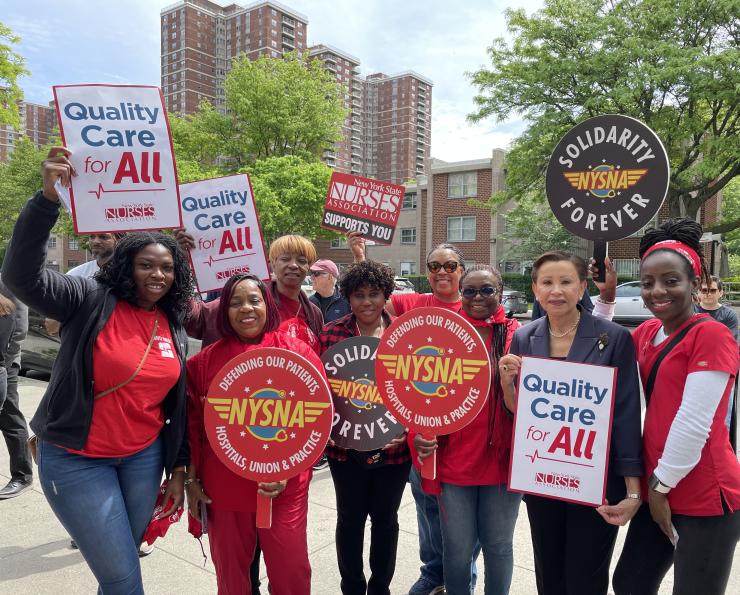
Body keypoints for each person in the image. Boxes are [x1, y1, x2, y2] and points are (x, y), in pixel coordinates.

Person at [1, 147, 192, 593]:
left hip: (143, 459)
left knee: (120, 560)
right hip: (75, 459)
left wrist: (178, 467)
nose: (157, 274)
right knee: (124, 577)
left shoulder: (174, 321)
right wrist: (46, 200)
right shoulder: (86, 298)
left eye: (167, 267)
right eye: (146, 264)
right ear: (127, 264)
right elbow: (20, 277)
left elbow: (177, 403)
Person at [497, 251, 643, 595]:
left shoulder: (614, 337)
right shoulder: (524, 337)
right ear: (535, 289)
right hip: (544, 478)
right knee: (549, 573)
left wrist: (633, 491)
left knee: (586, 578)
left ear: (582, 289)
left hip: (594, 482)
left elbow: (624, 415)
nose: (556, 290)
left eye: (566, 282)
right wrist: (506, 384)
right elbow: (523, 413)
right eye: (547, 282)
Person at [611, 219, 740, 595]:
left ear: (696, 285)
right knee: (631, 583)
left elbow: (693, 423)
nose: (657, 291)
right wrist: (604, 299)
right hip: (659, 486)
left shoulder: (711, 334)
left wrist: (660, 487)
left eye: (671, 280)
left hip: (703, 493)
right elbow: (604, 353)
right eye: (648, 282)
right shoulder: (648, 332)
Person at [349, 234, 477, 595]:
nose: (441, 272)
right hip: (420, 435)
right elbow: (371, 296)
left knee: (460, 516)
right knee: (426, 507)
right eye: (434, 266)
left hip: (462, 432)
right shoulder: (415, 303)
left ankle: (461, 576)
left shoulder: (473, 308)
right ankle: (433, 572)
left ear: (461, 271)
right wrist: (361, 255)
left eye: (450, 266)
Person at [185, 273, 325, 595]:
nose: (245, 308)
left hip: (284, 489)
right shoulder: (203, 364)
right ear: (223, 312)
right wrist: (191, 482)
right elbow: (192, 430)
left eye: (254, 300)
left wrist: (289, 470)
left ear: (267, 305)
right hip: (225, 488)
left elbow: (317, 421)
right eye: (235, 302)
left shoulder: (298, 354)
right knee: (232, 580)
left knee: (292, 575)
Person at [415, 265, 522, 595]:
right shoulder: (440, 333)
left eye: (486, 290)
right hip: (455, 464)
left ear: (500, 292)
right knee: (457, 552)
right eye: (470, 290)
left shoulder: (519, 336)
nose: (477, 297)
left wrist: (509, 384)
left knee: (499, 547)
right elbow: (415, 392)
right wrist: (418, 434)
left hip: (502, 465)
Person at [319, 260, 410, 595]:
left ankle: (380, 587)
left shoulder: (404, 334)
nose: (367, 301)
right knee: (350, 519)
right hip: (345, 448)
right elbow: (320, 390)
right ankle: (352, 586)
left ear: (386, 295)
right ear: (349, 297)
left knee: (386, 521)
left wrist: (408, 429)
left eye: (374, 294)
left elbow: (419, 390)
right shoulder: (331, 333)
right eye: (359, 295)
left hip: (395, 449)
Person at [44, 232, 123, 336]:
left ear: (119, 240)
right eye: (92, 237)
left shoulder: (132, 274)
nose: (95, 241)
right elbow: (52, 326)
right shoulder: (76, 274)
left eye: (103, 237)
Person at [0, 279, 33, 500]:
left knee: (10, 418)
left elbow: (19, 324)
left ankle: (22, 475)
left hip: (5, 361)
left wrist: (6, 362)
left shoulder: (7, 279)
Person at [309, 258, 351, 322]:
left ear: (330, 277)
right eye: (311, 273)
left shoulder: (347, 301)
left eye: (316, 273)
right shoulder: (309, 302)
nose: (311, 277)